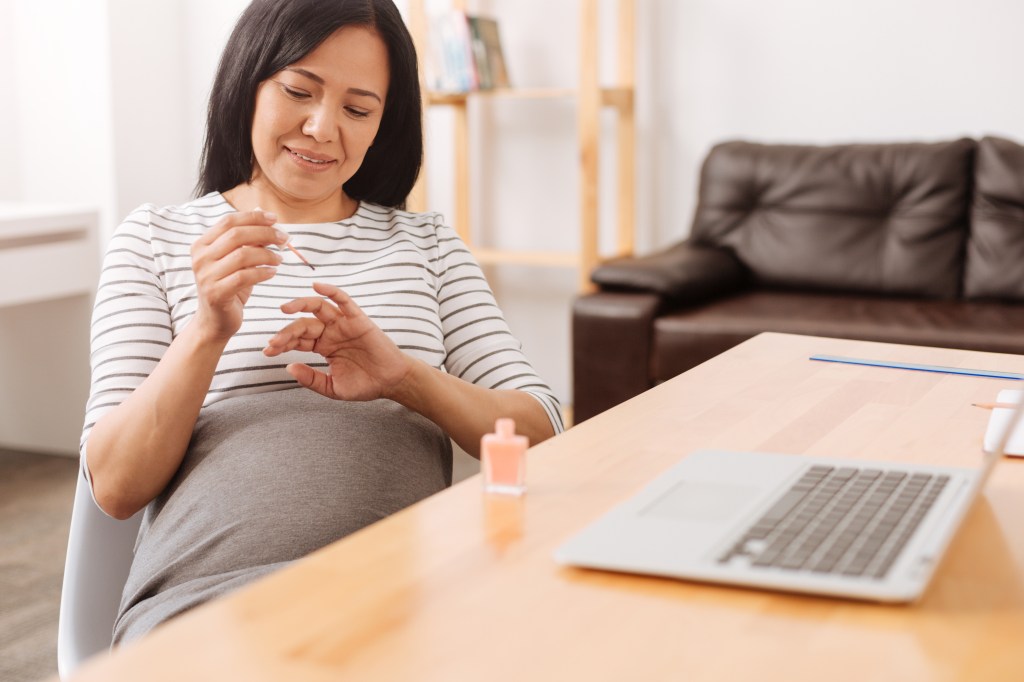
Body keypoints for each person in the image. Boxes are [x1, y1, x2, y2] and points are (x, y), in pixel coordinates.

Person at [80, 0, 562, 645]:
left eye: (357, 109)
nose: (321, 127)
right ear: (247, 83)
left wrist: (404, 379)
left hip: (408, 598)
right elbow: (113, 486)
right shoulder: (155, 238)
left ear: (382, 126)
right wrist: (208, 331)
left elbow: (542, 430)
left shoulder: (427, 246)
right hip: (212, 608)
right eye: (299, 91)